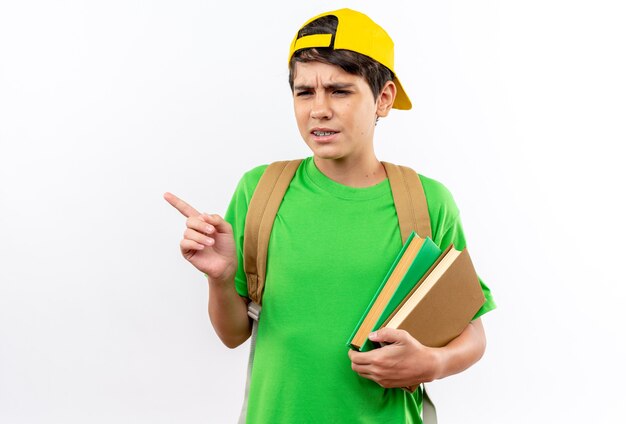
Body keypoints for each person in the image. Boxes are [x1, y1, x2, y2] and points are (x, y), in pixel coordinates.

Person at [164, 8, 496, 423]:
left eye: (340, 91)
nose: (318, 109)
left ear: (384, 98)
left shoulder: (427, 202)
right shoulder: (261, 190)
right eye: (304, 92)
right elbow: (233, 335)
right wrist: (218, 277)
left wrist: (432, 363)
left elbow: (472, 333)